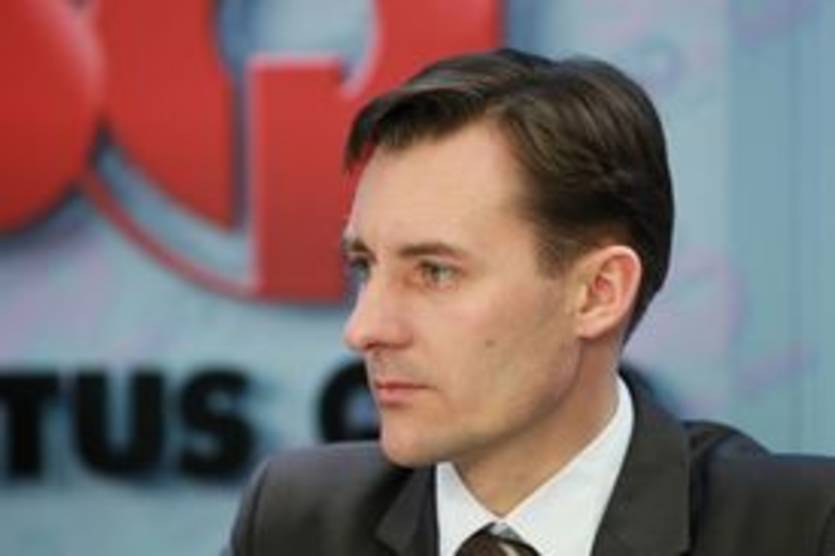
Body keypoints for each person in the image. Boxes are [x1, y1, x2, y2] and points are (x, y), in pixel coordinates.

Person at [224, 48, 835, 555]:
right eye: (365, 266)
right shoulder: (295, 521)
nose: (363, 329)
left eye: (435, 272)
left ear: (598, 293)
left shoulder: (802, 529)